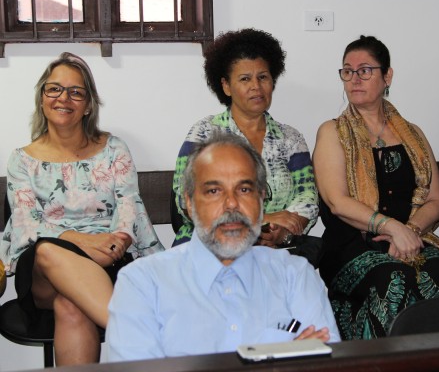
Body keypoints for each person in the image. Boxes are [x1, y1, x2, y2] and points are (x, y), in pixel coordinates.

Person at [106, 133, 340, 361]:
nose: (231, 204)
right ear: (189, 203)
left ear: (261, 200)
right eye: (214, 191)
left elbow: (328, 367)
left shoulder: (295, 276)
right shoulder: (142, 284)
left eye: (244, 189)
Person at [0, 52, 165, 366]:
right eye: (54, 89)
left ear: (88, 104)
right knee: (47, 250)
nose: (64, 98)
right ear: (42, 98)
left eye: (76, 92)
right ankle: (142, 335)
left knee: (71, 305)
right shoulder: (21, 160)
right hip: (42, 273)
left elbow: (128, 206)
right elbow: (26, 224)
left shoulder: (114, 149)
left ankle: (139, 334)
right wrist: (82, 241)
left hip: (109, 258)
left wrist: (115, 244)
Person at [313, 35, 439, 340]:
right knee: (393, 277)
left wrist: (410, 232)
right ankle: (378, 360)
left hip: (411, 238)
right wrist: (393, 228)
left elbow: (435, 199)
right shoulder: (332, 132)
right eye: (348, 71)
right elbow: (337, 202)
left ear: (387, 76)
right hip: (350, 246)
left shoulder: (412, 134)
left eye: (365, 70)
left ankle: (437, 360)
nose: (355, 78)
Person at [171, 28, 321, 266]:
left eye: (263, 77)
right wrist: (260, 220)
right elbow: (185, 198)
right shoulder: (205, 133)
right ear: (226, 86)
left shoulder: (290, 138)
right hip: (211, 248)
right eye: (244, 79)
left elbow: (307, 197)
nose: (256, 87)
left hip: (277, 250)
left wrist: (282, 232)